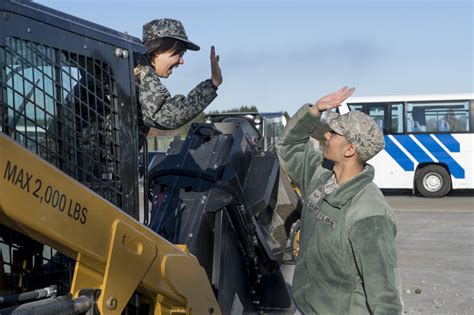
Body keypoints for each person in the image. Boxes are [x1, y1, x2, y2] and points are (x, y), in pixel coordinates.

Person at [276, 87, 403, 314]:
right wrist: (314, 111)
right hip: (306, 307)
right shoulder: (321, 174)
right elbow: (288, 147)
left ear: (350, 150)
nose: (326, 135)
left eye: (333, 134)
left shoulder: (369, 213)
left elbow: (385, 295)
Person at [134, 18, 223, 146]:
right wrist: (212, 84)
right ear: (159, 50)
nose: (181, 61)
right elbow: (166, 115)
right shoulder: (140, 72)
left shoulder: (132, 68)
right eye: (179, 54)